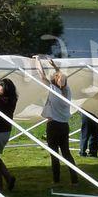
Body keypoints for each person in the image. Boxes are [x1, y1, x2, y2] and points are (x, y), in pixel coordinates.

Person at [34, 56, 77, 184]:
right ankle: (74, 180)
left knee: (55, 154)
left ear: (54, 80)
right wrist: (55, 67)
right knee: (66, 153)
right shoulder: (67, 91)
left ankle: (56, 180)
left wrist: (37, 60)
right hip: (64, 126)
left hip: (53, 126)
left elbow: (41, 76)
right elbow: (62, 79)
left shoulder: (53, 90)